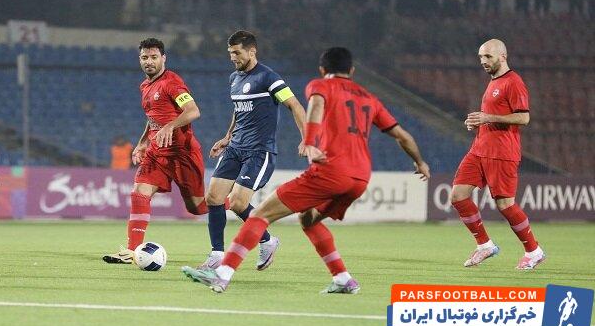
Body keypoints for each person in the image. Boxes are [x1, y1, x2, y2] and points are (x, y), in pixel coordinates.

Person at [182, 47, 430, 293]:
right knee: (309, 219)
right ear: (352, 71)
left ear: (322, 70)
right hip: (361, 178)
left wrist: (309, 141)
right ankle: (343, 279)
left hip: (330, 171)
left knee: (260, 216)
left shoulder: (320, 86)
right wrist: (420, 162)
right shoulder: (370, 98)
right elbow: (403, 136)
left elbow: (315, 108)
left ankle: (222, 275)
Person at [198, 30, 306, 271]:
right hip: (235, 148)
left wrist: (306, 138)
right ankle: (216, 254)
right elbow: (239, 110)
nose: (232, 57)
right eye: (230, 53)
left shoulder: (269, 78)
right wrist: (227, 137)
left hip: (259, 151)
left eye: (237, 53)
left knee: (237, 203)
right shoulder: (233, 79)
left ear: (252, 51)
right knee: (213, 197)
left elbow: (295, 105)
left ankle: (267, 241)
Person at [103, 38, 208, 263]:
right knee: (139, 193)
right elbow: (152, 117)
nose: (149, 62)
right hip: (157, 152)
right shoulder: (145, 86)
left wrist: (170, 126)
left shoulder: (172, 83)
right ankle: (131, 252)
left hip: (182, 153)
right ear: (139, 59)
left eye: (153, 57)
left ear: (163, 58)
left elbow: (193, 111)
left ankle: (235, 202)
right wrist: (143, 142)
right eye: (144, 57)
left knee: (197, 208)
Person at [450, 39, 545, 270]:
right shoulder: (494, 81)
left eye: (488, 57)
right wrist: (478, 122)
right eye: (481, 57)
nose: (483, 61)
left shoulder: (513, 82)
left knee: (505, 205)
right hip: (479, 149)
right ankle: (485, 245)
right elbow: (492, 116)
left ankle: (534, 251)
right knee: (458, 196)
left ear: (503, 56)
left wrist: (488, 118)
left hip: (502, 152)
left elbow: (524, 117)